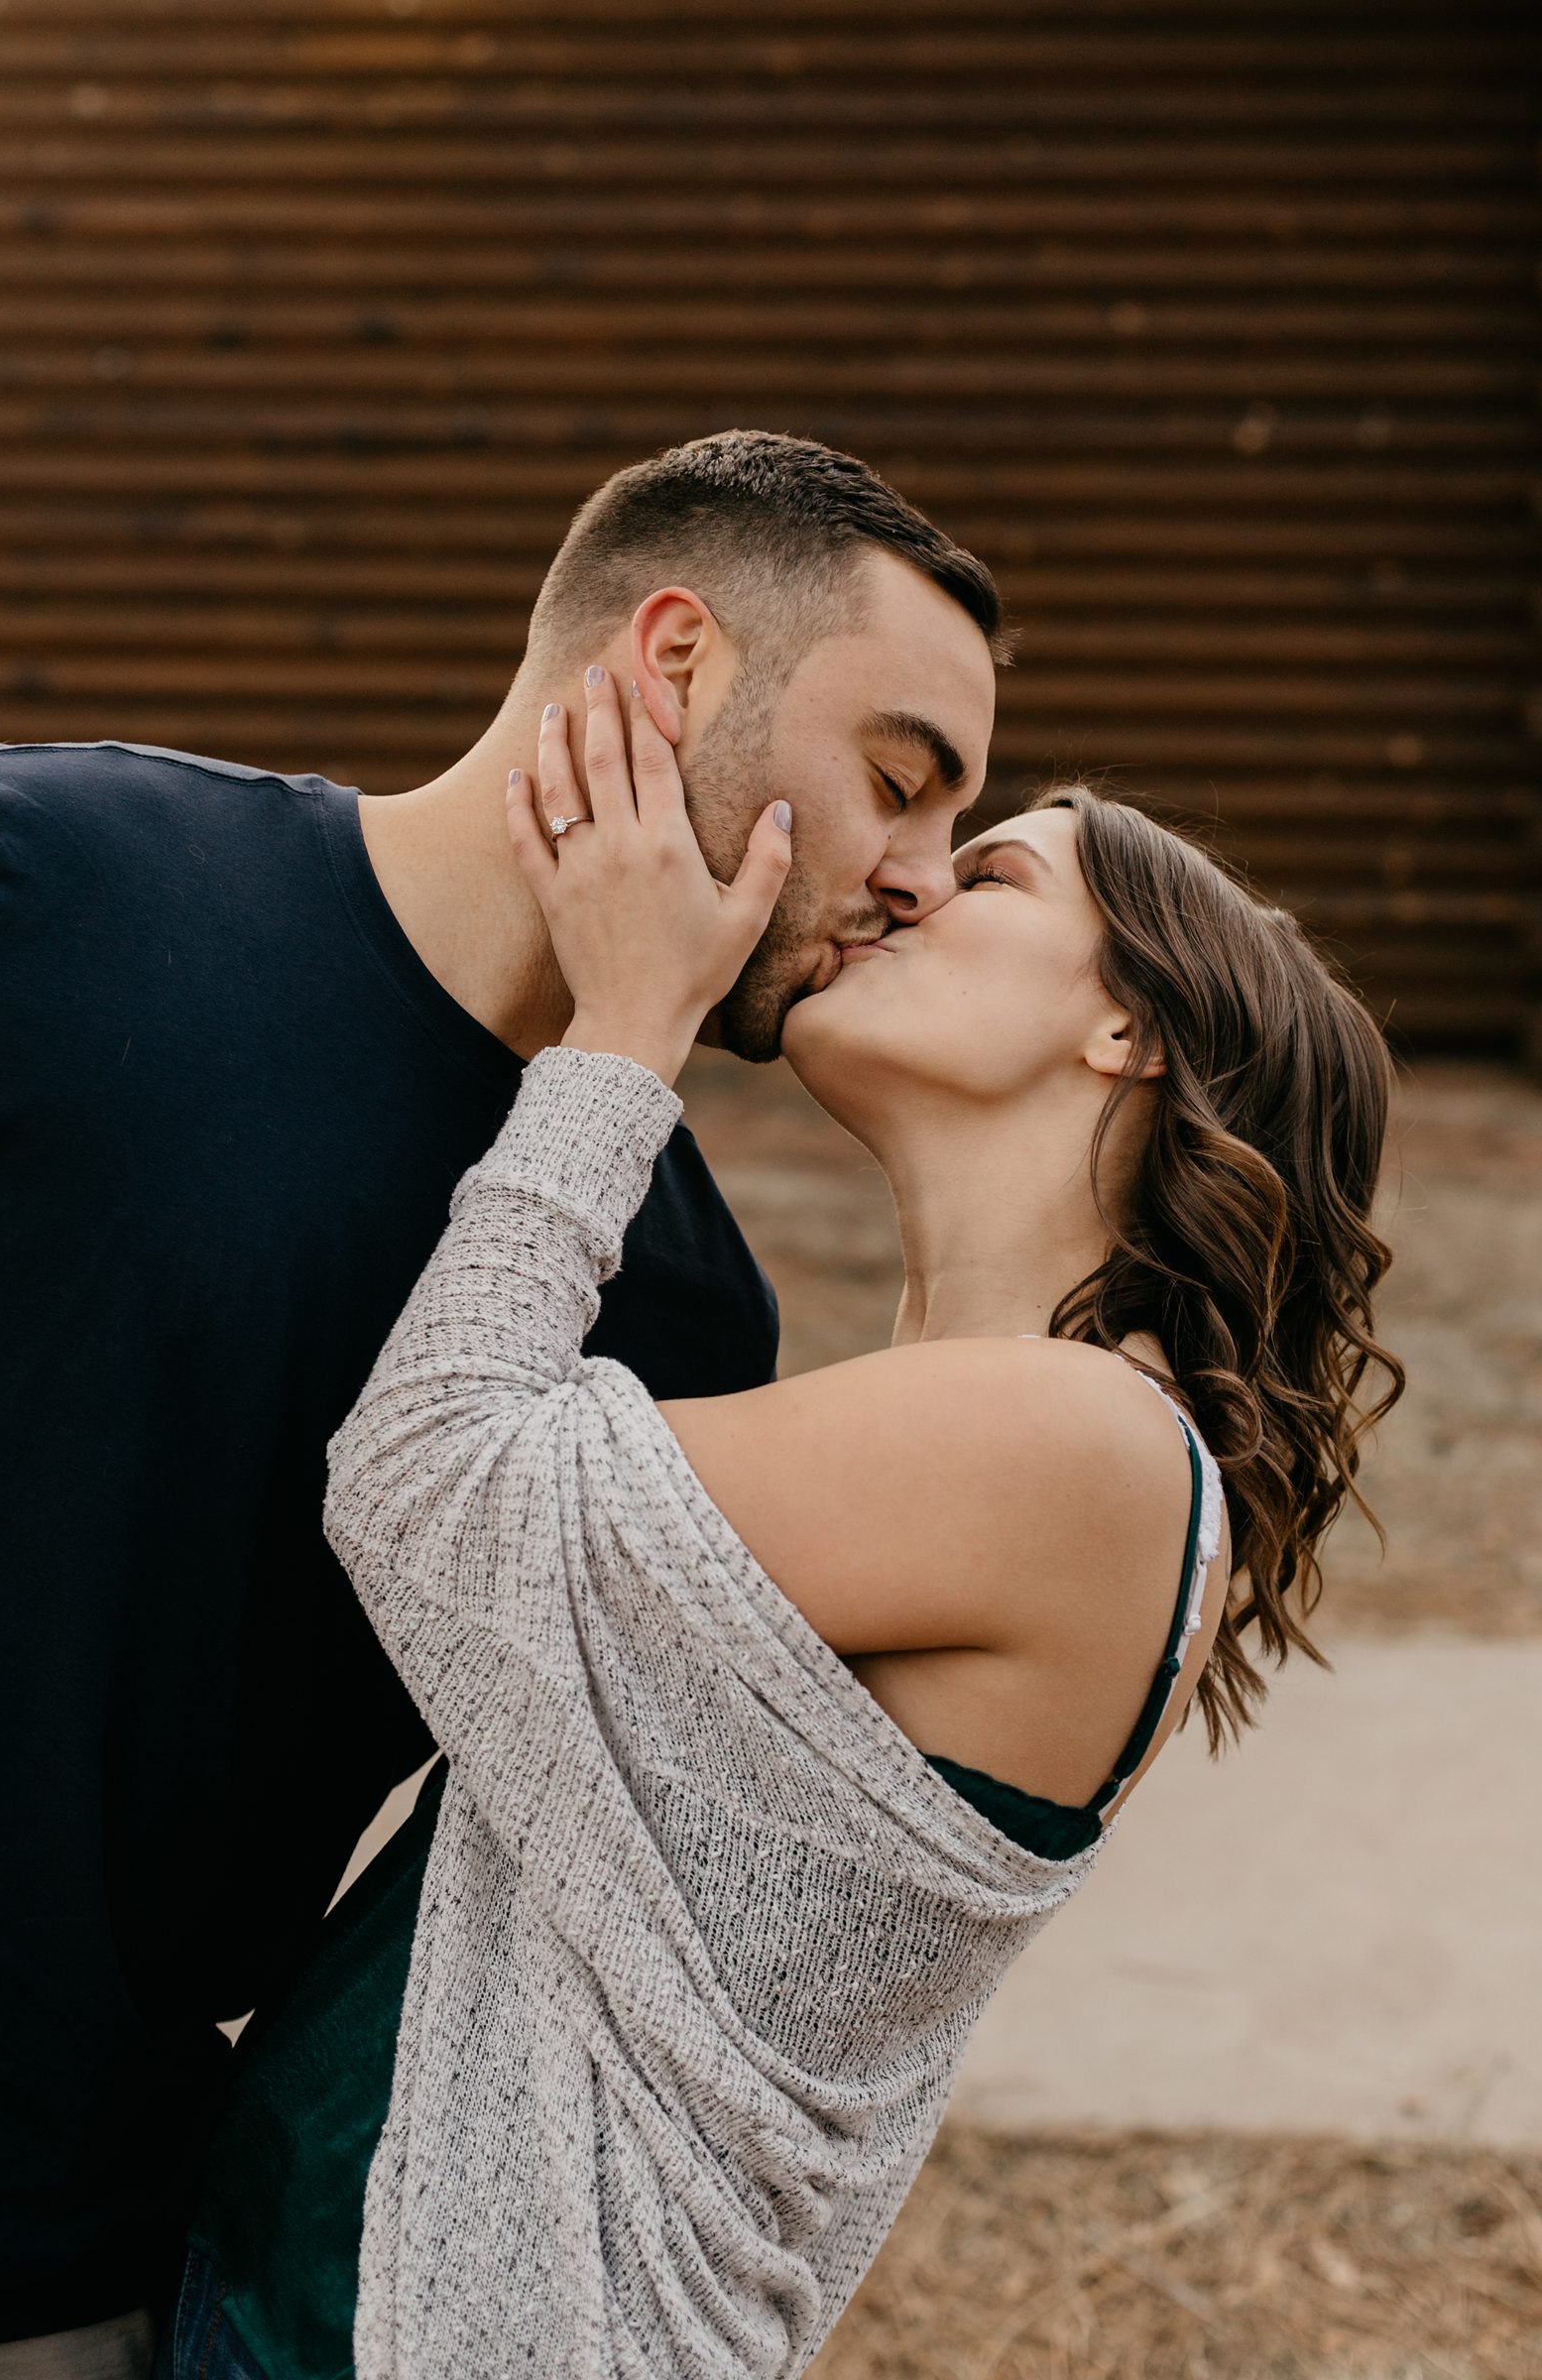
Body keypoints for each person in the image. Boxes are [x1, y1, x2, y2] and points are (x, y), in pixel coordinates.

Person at [158, 676, 1402, 2380]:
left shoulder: (1080, 1440)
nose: (908, 883)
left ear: (1132, 1030)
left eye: (996, 878)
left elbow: (428, 1481)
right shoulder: (1008, 1417)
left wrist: (626, 1027)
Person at [0, 430, 1009, 2378]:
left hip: (56, 2271)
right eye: (901, 783)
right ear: (672, 659)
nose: (920, 882)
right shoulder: (42, 873)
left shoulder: (677, 1300)